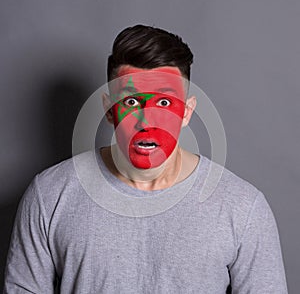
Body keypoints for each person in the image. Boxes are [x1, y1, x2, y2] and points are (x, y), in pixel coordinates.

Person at [4, 25, 288, 293]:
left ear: (187, 112)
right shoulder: (49, 195)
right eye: (130, 102)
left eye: (164, 103)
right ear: (109, 109)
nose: (146, 121)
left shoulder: (242, 208)